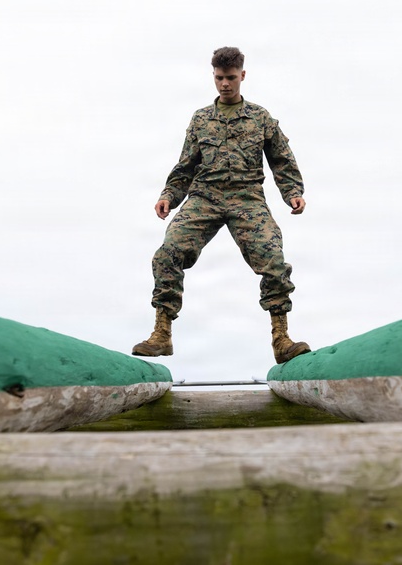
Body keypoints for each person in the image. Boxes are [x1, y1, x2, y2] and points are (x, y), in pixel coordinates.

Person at [132, 46, 311, 364]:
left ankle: (281, 339)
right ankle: (162, 333)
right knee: (168, 252)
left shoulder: (260, 118)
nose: (225, 84)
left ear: (242, 76)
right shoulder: (201, 119)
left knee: (273, 259)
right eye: (219, 78)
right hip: (205, 197)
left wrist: (292, 191)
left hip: (247, 198)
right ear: (213, 77)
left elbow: (281, 160)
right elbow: (185, 165)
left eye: (230, 78)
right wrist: (169, 196)